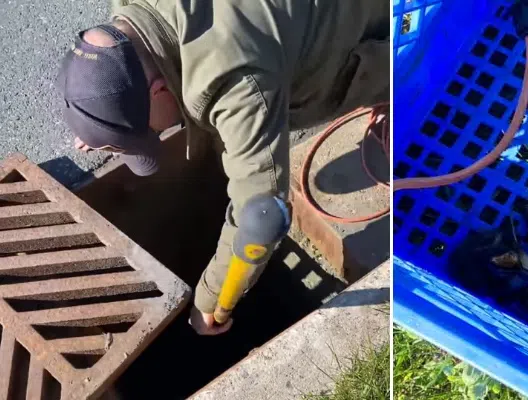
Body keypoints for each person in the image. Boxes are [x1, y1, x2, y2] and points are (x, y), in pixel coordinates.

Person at [56, 0, 389, 335]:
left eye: (152, 132)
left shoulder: (237, 87)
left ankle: (404, 78)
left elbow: (261, 217)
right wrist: (96, 123)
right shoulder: (130, 18)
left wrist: (211, 300)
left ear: (158, 91)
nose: (158, 135)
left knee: (319, 92)